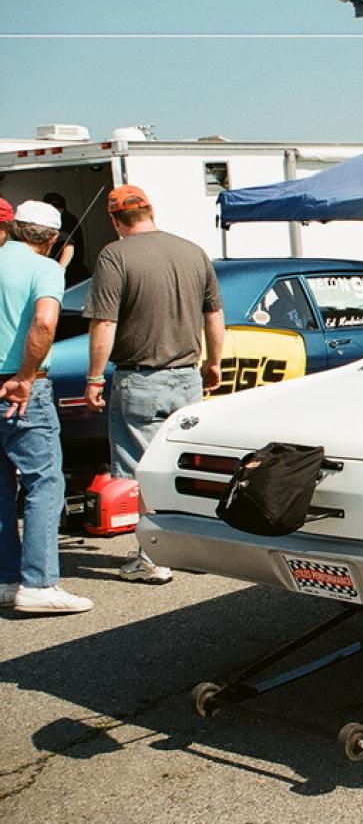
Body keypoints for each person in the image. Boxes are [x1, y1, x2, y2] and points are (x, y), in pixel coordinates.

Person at [83, 185, 224, 584]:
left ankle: (152, 558)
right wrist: (213, 363)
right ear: (151, 210)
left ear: (114, 220)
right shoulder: (192, 251)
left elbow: (105, 322)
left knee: (144, 473)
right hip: (188, 377)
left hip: (140, 379)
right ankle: (192, 550)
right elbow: (214, 315)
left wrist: (94, 377)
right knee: (185, 465)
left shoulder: (115, 255)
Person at [0, 201, 93, 614]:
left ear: (15, 227)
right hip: (25, 385)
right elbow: (44, 322)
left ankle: (6, 579)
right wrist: (25, 375)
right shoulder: (46, 269)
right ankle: (39, 583)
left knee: (1, 489)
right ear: (52, 238)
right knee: (44, 483)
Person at [42, 192, 90, 286]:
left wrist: (60, 269)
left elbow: (69, 244)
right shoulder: (69, 218)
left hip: (69, 273)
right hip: (68, 271)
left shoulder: (66, 220)